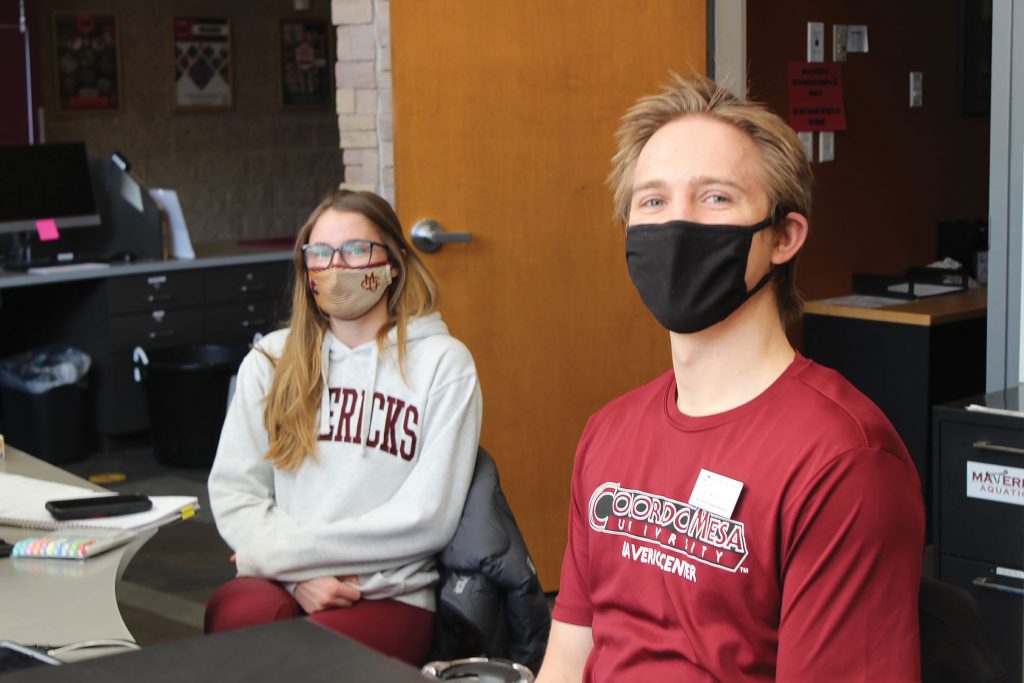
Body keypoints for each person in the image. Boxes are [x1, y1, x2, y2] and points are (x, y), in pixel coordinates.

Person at [537, 75, 925, 682]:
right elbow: (566, 658)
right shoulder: (606, 433)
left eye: (715, 198)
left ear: (783, 237)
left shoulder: (845, 462)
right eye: (653, 202)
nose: (676, 224)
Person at [205, 189, 482, 666]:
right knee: (234, 620)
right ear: (306, 266)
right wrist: (296, 576)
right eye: (321, 252)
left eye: (356, 250)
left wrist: (281, 556)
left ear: (393, 262)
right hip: (281, 578)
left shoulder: (443, 363)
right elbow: (236, 493)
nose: (338, 267)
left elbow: (429, 516)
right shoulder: (270, 360)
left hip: (387, 592)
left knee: (310, 661)